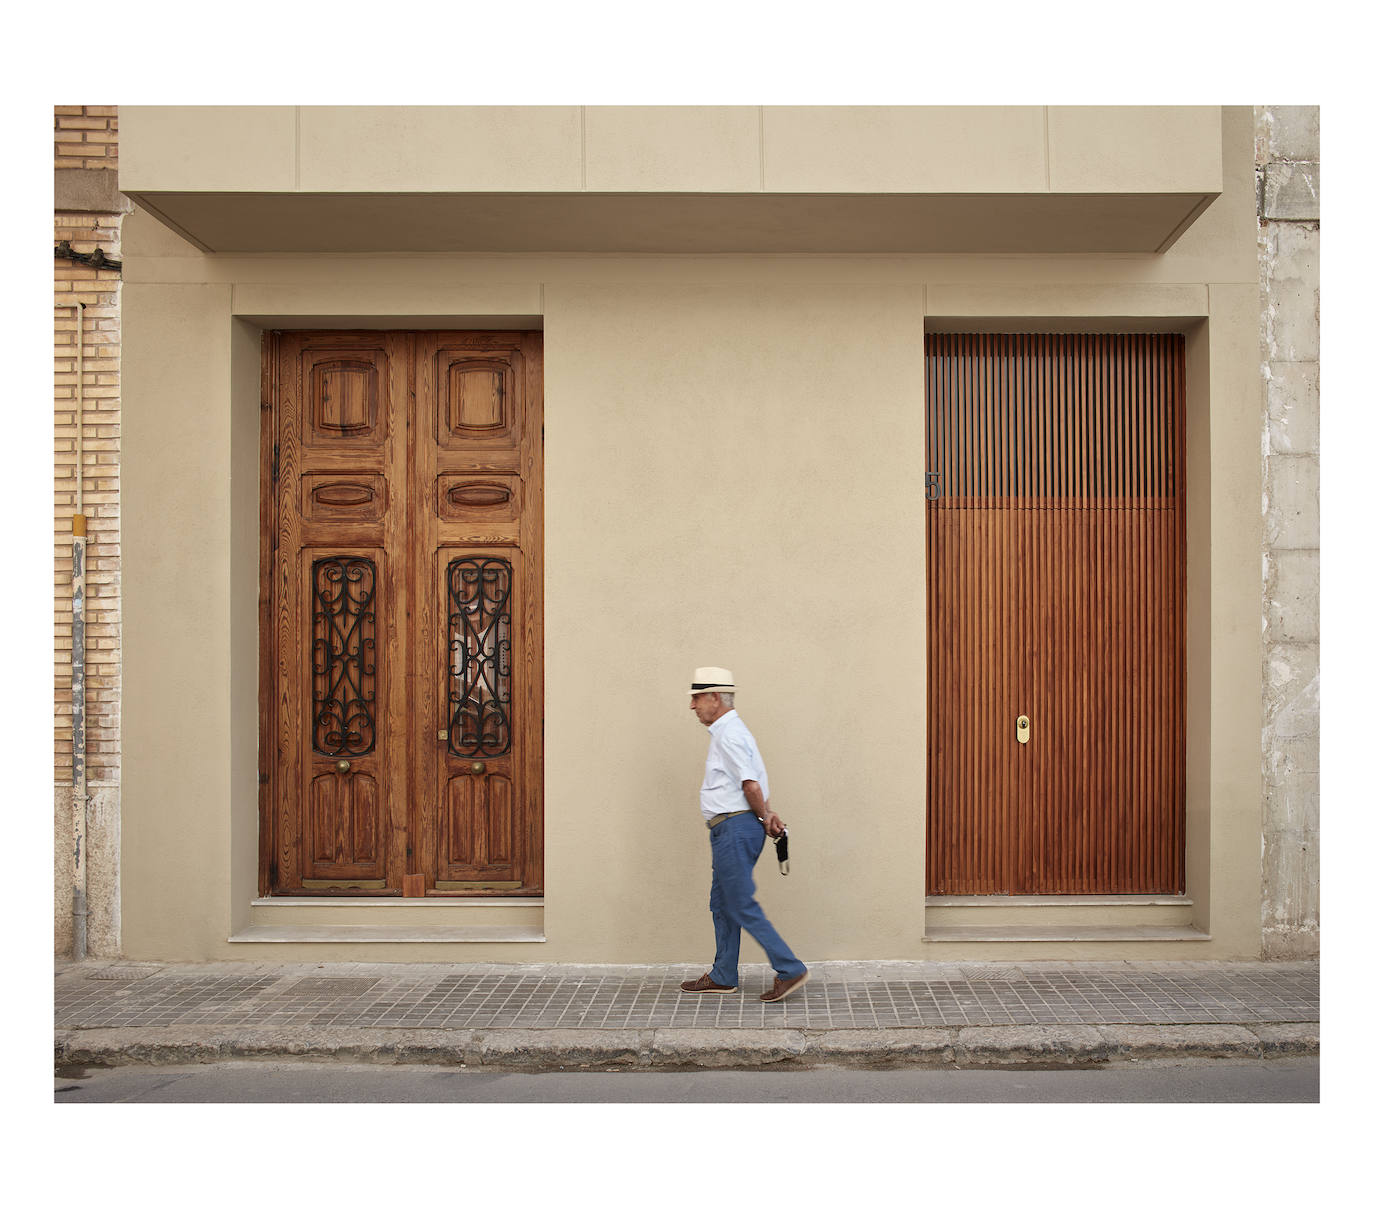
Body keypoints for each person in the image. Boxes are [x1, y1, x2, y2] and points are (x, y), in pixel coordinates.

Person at [680, 666, 809, 1003]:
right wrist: (768, 815)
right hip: (733, 827)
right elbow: (751, 781)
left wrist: (765, 814)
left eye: (697, 698)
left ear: (714, 698)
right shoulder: (732, 732)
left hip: (735, 828)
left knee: (738, 903)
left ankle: (790, 967)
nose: (692, 706)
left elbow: (749, 783)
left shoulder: (729, 734)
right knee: (722, 903)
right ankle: (723, 974)